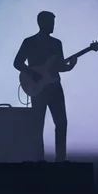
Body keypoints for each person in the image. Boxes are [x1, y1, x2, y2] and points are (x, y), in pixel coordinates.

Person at [13, 10, 76, 162]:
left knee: (61, 122)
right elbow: (17, 63)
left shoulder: (56, 43)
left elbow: (59, 66)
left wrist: (70, 66)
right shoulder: (29, 42)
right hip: (39, 87)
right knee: (37, 124)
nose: (53, 25)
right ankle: (38, 159)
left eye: (53, 22)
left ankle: (60, 159)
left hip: (54, 86)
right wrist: (32, 73)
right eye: (51, 22)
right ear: (41, 23)